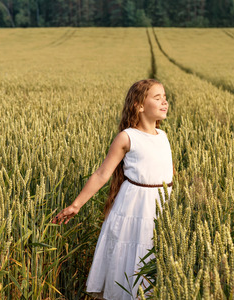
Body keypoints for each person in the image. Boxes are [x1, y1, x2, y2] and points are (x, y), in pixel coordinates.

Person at [52, 79, 173, 299]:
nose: (164, 102)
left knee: (156, 258)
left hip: (161, 205)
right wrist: (76, 205)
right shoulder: (128, 137)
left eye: (165, 97)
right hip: (135, 207)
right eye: (157, 98)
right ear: (139, 105)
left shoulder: (163, 137)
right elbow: (102, 174)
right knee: (132, 259)